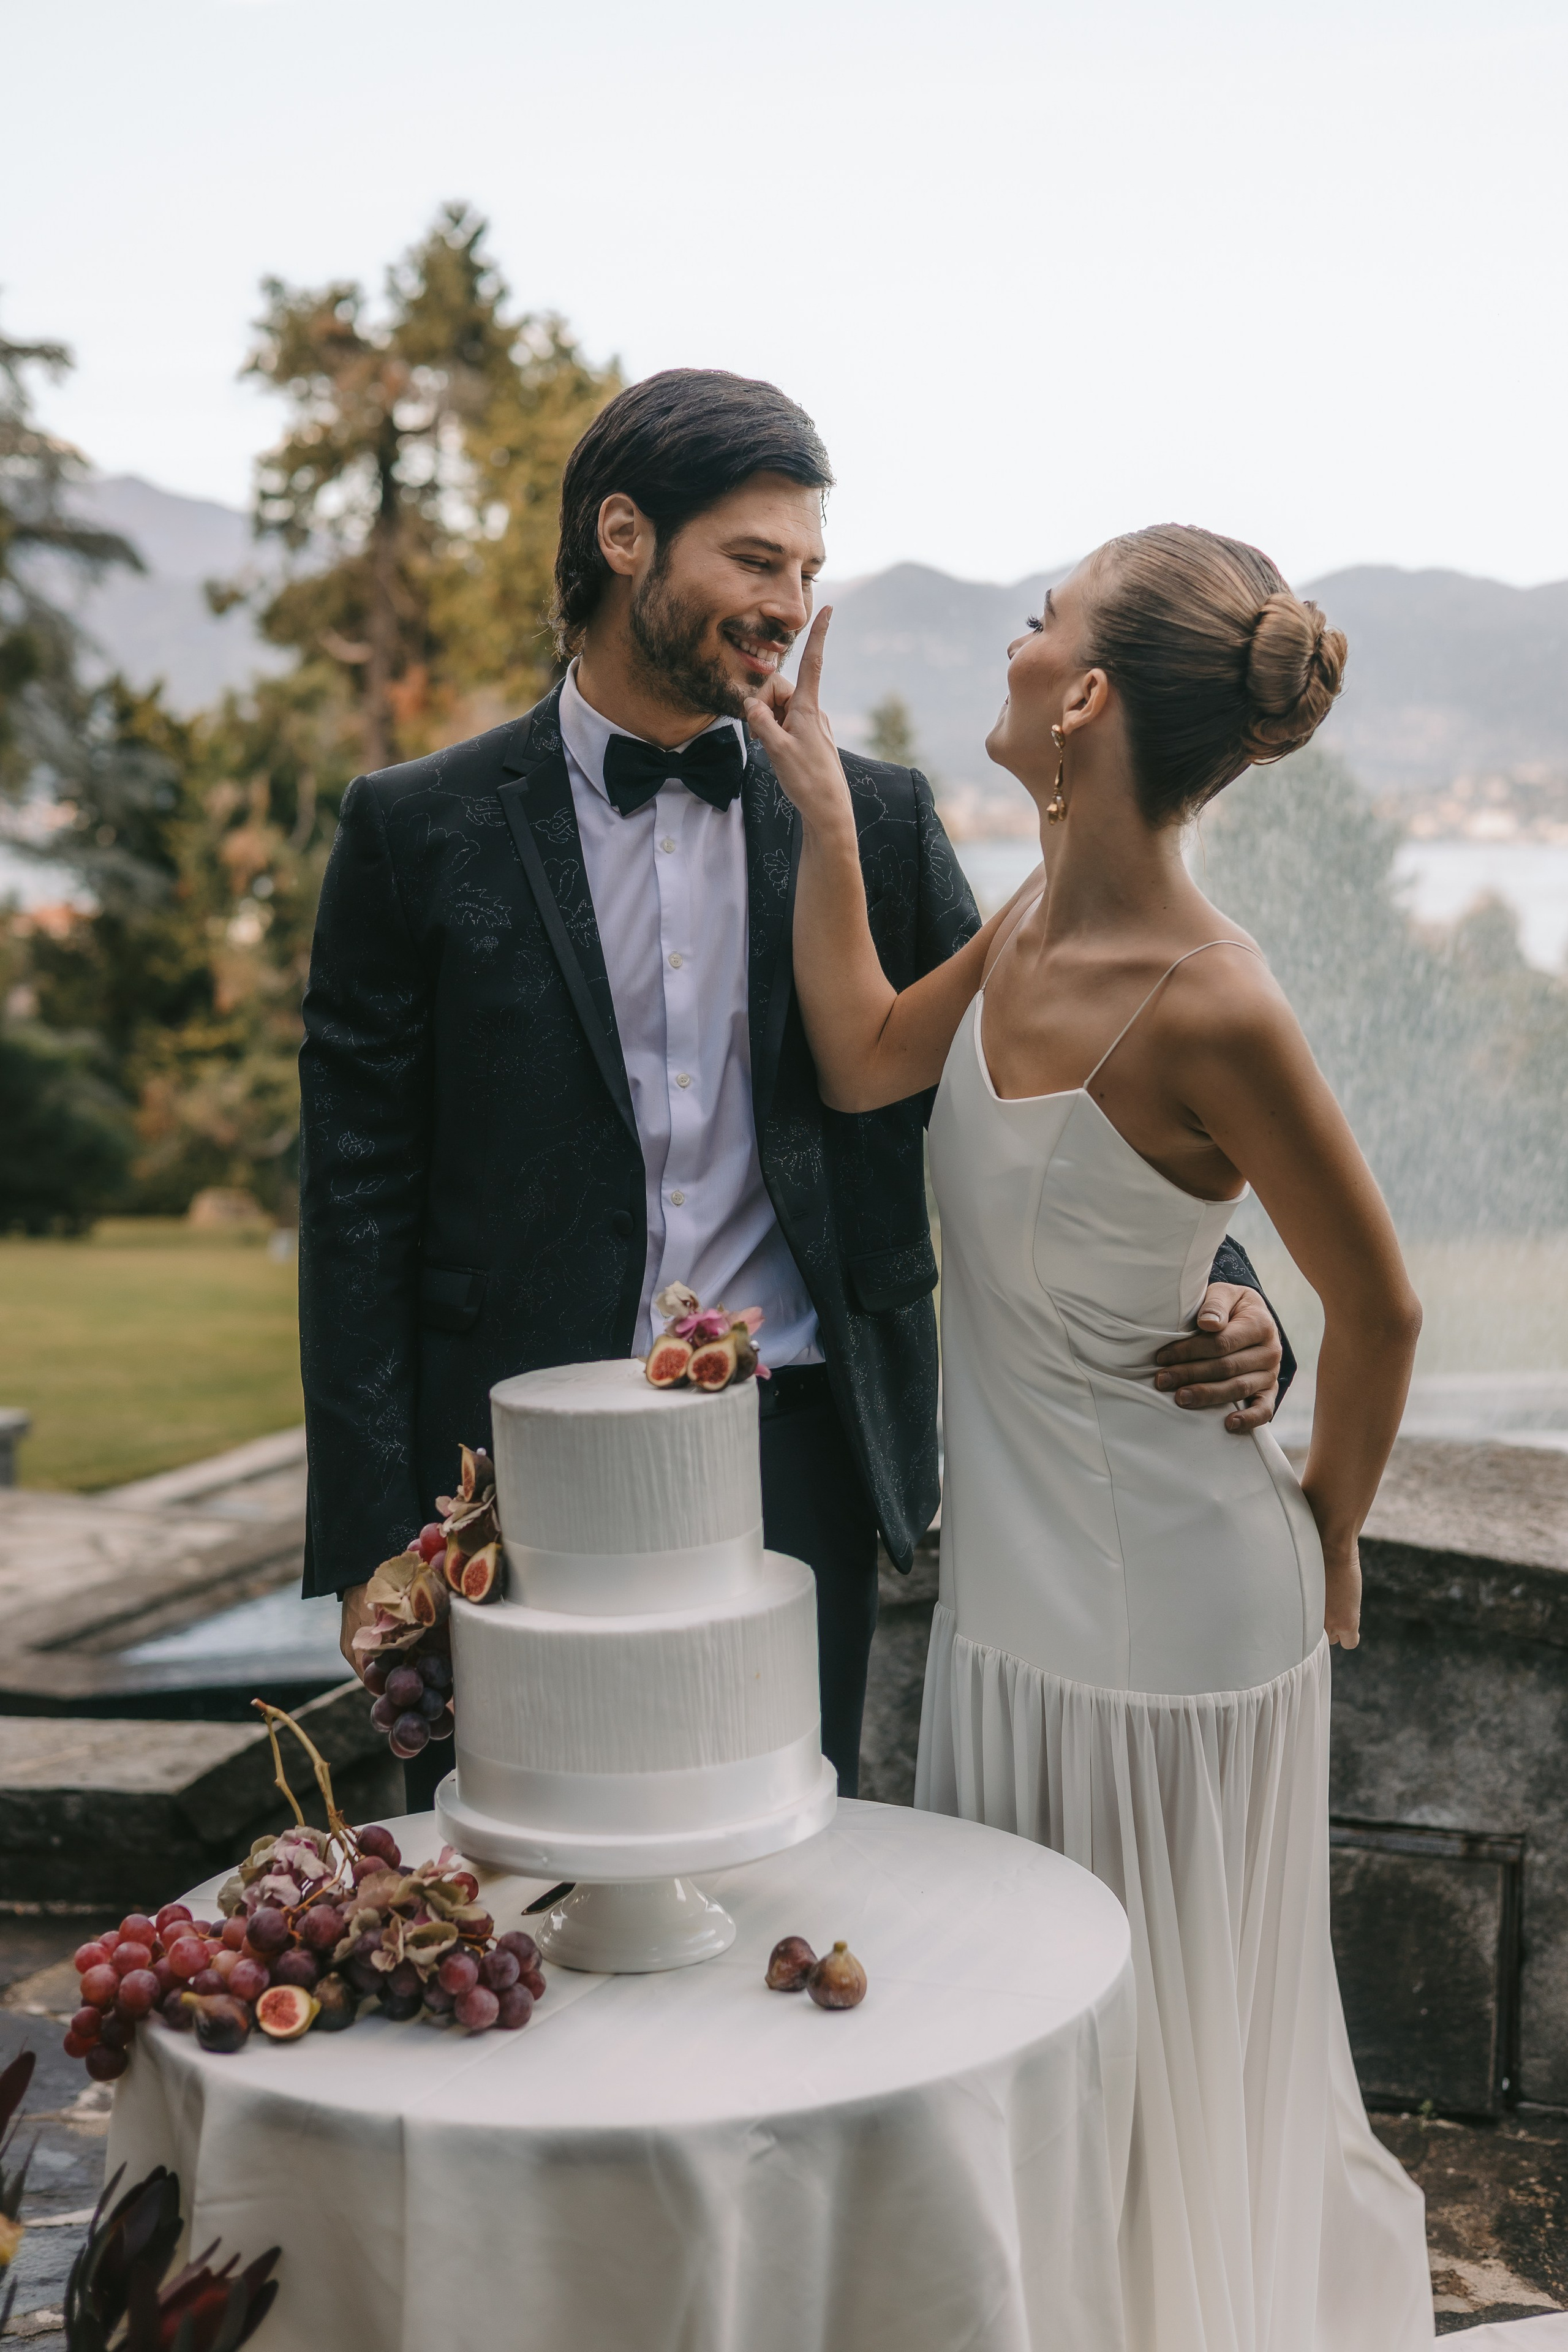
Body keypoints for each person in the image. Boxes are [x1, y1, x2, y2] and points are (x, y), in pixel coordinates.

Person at [298, 372, 1287, 1806]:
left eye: (808, 570)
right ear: (623, 535)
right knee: (515, 1886)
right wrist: (370, 1540)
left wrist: (1235, 1281)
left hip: (801, 1451)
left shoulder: (874, 821)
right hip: (510, 1457)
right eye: (754, 560)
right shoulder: (414, 830)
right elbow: (355, 1195)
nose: (788, 602)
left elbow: (1062, 1067)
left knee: (781, 1870)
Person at [747, 527, 1432, 2349]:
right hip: (1015, 1621)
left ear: (1094, 696)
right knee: (1034, 2064)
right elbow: (866, 1055)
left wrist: (1333, 1528)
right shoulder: (1032, 918)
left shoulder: (1215, 997)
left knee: (1157, 2074)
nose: (1018, 636)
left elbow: (1379, 1307)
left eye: (1042, 618)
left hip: (1181, 1640)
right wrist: (823, 818)